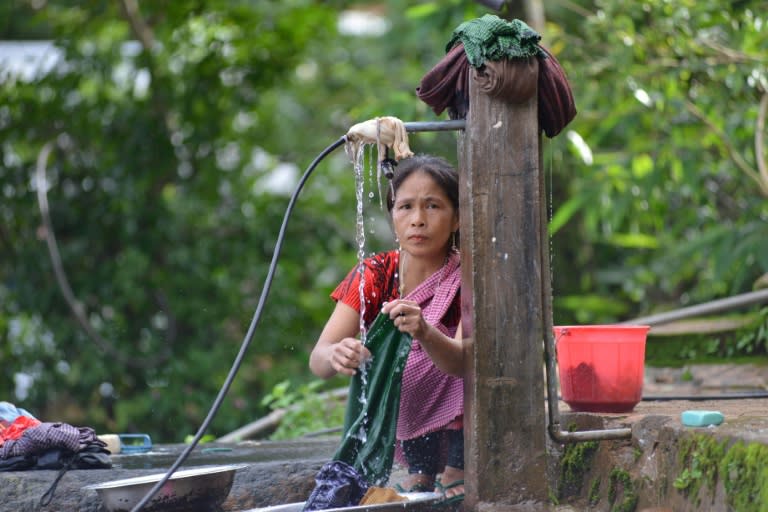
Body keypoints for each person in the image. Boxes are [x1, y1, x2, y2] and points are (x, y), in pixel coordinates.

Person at [309, 154, 465, 501]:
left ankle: (458, 467)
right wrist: (337, 353)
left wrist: (425, 332)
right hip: (401, 426)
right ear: (393, 217)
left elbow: (464, 361)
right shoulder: (375, 274)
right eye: (405, 207)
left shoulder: (469, 275)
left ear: (456, 218)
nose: (418, 220)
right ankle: (419, 470)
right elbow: (318, 361)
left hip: (466, 429)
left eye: (433, 206)